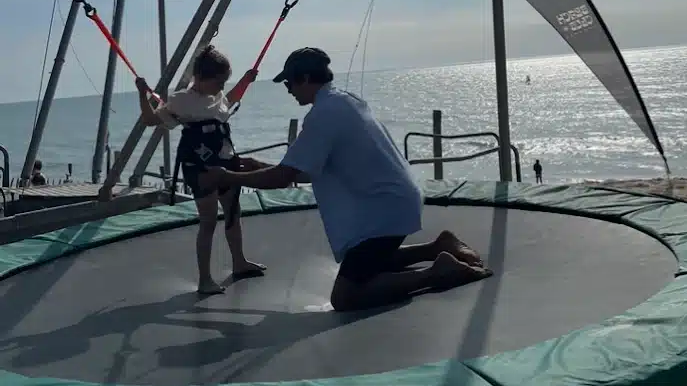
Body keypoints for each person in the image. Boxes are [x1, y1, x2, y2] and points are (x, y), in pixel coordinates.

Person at [199, 47, 492, 312]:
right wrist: (257, 167)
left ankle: (437, 272)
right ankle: (439, 246)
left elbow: (283, 178)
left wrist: (228, 176)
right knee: (375, 261)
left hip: (384, 212)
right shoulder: (344, 101)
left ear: (304, 78)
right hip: (396, 202)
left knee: (347, 296)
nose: (288, 91)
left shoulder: (324, 114)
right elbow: (305, 170)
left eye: (289, 84)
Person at [135, 44, 268, 295]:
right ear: (200, 78)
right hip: (200, 167)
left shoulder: (216, 97)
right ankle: (205, 279)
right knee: (208, 222)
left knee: (232, 213)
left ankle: (239, 262)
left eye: (224, 82)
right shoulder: (181, 101)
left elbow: (230, 100)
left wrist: (246, 80)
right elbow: (150, 120)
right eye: (219, 82)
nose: (221, 87)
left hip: (226, 160)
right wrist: (143, 94)